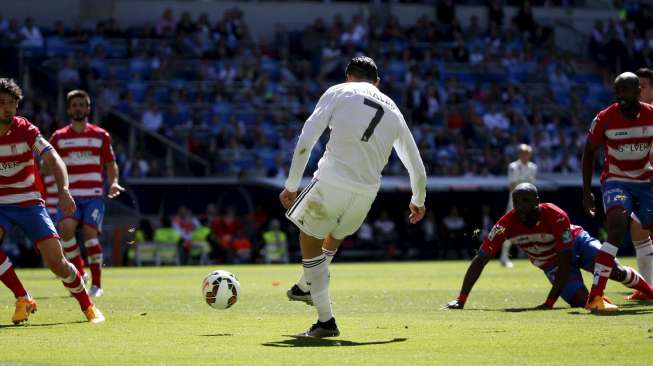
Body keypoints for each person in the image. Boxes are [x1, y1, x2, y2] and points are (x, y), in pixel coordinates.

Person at [279, 56, 427, 337]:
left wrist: (291, 184)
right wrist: (418, 200)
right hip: (366, 194)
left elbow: (307, 139)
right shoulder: (394, 110)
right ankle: (304, 286)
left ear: (348, 76)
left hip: (332, 181)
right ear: (378, 83)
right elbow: (416, 164)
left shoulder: (338, 91)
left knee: (308, 238)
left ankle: (325, 321)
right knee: (333, 235)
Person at [443, 183, 653, 310]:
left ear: (537, 200)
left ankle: (649, 292)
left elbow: (565, 255)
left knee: (614, 271)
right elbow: (481, 259)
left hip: (577, 243)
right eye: (517, 203)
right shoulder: (505, 224)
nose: (521, 207)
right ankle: (600, 300)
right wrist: (461, 299)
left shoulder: (555, 215)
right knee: (581, 301)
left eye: (526, 201)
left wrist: (551, 300)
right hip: (550, 262)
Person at [0, 79, 103, 322]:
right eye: (1, 103)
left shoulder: (26, 130)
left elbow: (54, 159)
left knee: (57, 264)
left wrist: (64, 190)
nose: (7, 108)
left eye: (12, 103)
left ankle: (88, 306)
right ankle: (23, 297)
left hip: (30, 203)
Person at [582, 72, 653, 312]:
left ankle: (648, 289)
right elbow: (589, 152)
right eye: (617, 90)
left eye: (625, 90)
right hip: (616, 181)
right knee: (616, 227)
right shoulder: (605, 118)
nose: (620, 95)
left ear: (637, 91)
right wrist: (586, 191)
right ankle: (596, 296)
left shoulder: (651, 115)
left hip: (645, 182)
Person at [50, 90, 125, 298]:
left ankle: (97, 285)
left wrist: (114, 183)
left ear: (88, 109)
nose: (78, 108)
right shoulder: (59, 137)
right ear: (68, 109)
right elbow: (49, 163)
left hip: (93, 196)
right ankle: (80, 274)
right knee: (65, 229)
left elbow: (111, 164)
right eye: (74, 105)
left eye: (82, 105)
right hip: (70, 196)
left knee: (90, 233)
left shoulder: (101, 136)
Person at [623, 67, 653, 301]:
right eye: (636, 86)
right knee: (637, 228)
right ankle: (647, 288)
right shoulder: (633, 114)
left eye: (642, 86)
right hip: (645, 182)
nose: (638, 90)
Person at [501, 143, 537, 268]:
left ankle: (532, 256)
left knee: (531, 227)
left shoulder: (533, 167)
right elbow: (512, 186)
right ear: (519, 154)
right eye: (523, 153)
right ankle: (504, 257)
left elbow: (532, 187)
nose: (525, 155)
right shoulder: (513, 167)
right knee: (510, 228)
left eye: (527, 153)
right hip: (514, 203)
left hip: (529, 204)